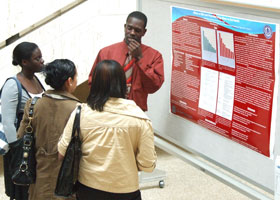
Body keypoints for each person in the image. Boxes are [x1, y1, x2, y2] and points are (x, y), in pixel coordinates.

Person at [59, 60, 157, 200]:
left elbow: (62, 152)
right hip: (126, 190)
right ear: (123, 83)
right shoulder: (140, 118)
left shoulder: (81, 113)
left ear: (95, 84)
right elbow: (148, 165)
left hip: (88, 188)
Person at [17, 59, 80, 200]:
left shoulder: (33, 105)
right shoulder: (79, 110)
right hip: (67, 185)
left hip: (39, 182)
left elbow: (21, 136)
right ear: (69, 81)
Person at [88, 11, 164, 111]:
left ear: (144, 32)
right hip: (108, 108)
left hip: (136, 110)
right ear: (125, 27)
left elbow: (153, 87)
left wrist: (140, 60)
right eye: (129, 28)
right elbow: (93, 82)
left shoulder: (154, 56)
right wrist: (114, 88)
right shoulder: (106, 52)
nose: (132, 33)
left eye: (137, 30)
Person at [1, 41, 45, 200]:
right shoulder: (13, 85)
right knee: (21, 189)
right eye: (37, 58)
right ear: (24, 62)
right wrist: (17, 151)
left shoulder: (37, 80)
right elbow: (7, 122)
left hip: (37, 146)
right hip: (21, 148)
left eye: (41, 57)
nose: (42, 61)